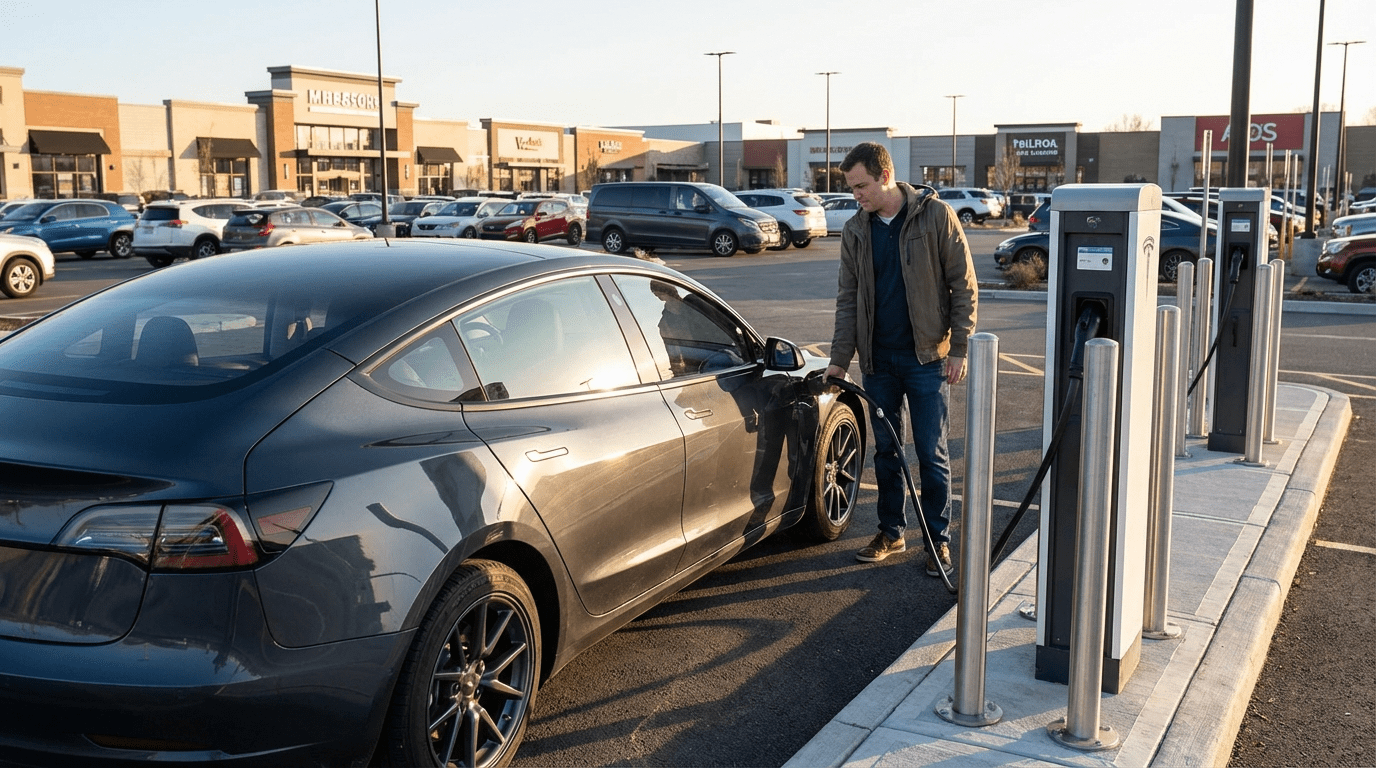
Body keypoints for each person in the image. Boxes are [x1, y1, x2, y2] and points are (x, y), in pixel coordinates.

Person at [824, 142, 978, 576]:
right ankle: (892, 532)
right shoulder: (856, 230)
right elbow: (848, 299)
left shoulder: (934, 216)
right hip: (879, 362)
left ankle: (937, 542)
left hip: (927, 358)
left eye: (862, 185)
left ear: (885, 176)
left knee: (931, 453)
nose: (856, 195)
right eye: (852, 188)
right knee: (888, 451)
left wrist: (960, 348)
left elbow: (963, 285)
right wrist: (840, 360)